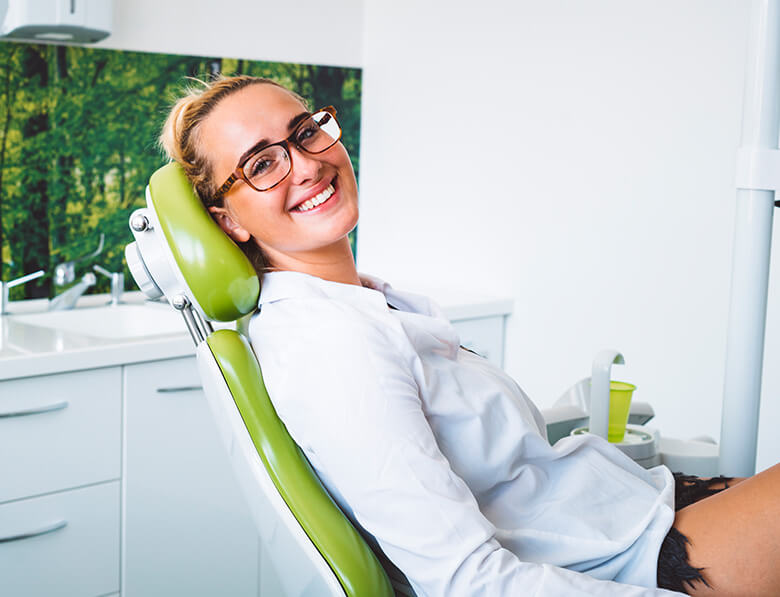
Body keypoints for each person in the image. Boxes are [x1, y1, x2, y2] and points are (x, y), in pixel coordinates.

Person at [159, 75, 780, 596]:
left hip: (629, 511)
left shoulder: (363, 302)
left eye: (306, 132)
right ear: (227, 219)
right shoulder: (331, 348)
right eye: (262, 164)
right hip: (629, 564)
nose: (307, 162)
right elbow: (467, 581)